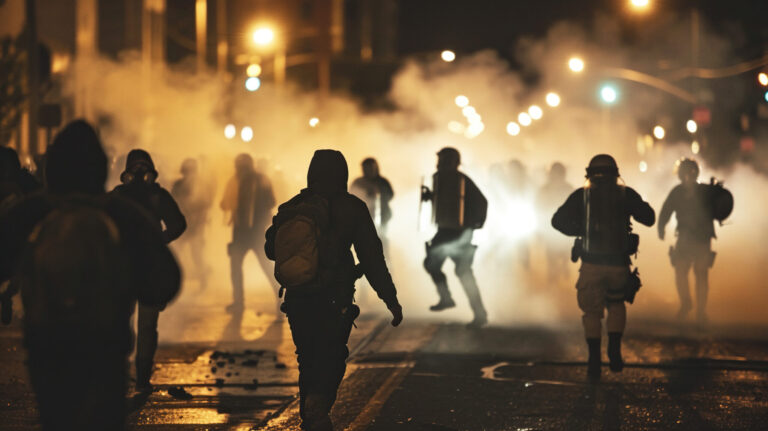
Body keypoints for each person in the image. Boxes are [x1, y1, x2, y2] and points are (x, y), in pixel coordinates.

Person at [0, 120, 180, 429]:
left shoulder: (32, 211)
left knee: (56, 419)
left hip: (48, 344)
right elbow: (164, 282)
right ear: (99, 168)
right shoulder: (121, 212)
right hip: (104, 346)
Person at [265, 149, 403, 431]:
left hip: (298, 296)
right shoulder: (352, 207)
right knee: (332, 355)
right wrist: (390, 298)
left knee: (307, 357)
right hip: (334, 297)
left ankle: (311, 416)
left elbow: (271, 249)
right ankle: (317, 412)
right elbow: (371, 257)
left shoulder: (294, 205)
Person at [552, 154, 654, 380]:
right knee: (616, 304)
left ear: (589, 173)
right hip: (618, 263)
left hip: (591, 263)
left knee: (591, 312)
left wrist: (582, 230)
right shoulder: (626, 194)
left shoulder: (582, 195)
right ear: (616, 173)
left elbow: (557, 221)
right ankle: (614, 348)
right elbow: (649, 218)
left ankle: (594, 360)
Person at [112, 148, 186, 392]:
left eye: (144, 167)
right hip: (143, 268)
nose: (141, 173)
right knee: (140, 326)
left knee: (132, 324)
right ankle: (139, 376)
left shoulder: (122, 196)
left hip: (128, 268)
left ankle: (132, 375)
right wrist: (160, 241)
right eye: (137, 167)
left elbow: (177, 224)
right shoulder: (154, 196)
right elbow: (177, 225)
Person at [658, 158, 732, 324]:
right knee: (683, 273)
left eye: (690, 172)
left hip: (701, 238)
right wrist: (661, 227)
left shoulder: (704, 191)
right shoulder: (680, 192)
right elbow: (666, 210)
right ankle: (689, 305)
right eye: (686, 172)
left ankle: (698, 311)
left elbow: (722, 202)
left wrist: (661, 228)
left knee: (699, 274)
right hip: (688, 238)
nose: (688, 176)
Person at [421, 147, 488, 328]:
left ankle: (479, 314)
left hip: (459, 233)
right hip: (444, 231)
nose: (440, 164)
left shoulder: (461, 180)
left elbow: (481, 203)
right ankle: (446, 298)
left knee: (463, 273)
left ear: (452, 162)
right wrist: (429, 197)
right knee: (432, 264)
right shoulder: (439, 179)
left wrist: (471, 227)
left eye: (443, 160)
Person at [220, 153, 278, 314]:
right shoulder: (238, 181)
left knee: (256, 266)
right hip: (247, 233)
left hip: (252, 232)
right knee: (242, 267)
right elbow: (224, 203)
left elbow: (271, 201)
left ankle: (241, 302)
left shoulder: (250, 180)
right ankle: (240, 302)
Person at [171, 158, 213, 289]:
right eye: (187, 171)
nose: (188, 173)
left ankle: (203, 280)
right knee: (176, 253)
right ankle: (174, 283)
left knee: (197, 256)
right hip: (182, 224)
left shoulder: (202, 185)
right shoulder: (178, 185)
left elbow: (206, 203)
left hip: (196, 226)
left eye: (191, 170)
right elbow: (173, 202)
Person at [536, 162, 573, 283]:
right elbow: (538, 209)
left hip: (565, 230)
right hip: (549, 229)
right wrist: (539, 230)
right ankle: (553, 282)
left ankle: (563, 268)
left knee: (564, 254)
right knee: (551, 257)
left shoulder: (569, 189)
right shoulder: (543, 190)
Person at [350, 158, 394, 250]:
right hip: (363, 218)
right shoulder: (358, 182)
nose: (367, 171)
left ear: (375, 168)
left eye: (370, 168)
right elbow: (351, 196)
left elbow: (390, 195)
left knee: (381, 241)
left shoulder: (383, 182)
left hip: (382, 218)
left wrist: (378, 193)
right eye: (365, 169)